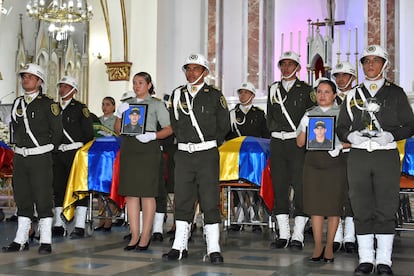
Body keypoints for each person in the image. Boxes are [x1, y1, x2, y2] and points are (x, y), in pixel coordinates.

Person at [337, 45, 414, 275]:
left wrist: (391, 135)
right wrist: (350, 136)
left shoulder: (396, 93)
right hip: (359, 156)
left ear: (385, 64)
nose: (370, 65)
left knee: (386, 205)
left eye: (375, 60)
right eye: (366, 61)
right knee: (360, 205)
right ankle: (366, 258)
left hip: (385, 154)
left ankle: (383, 260)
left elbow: (410, 124)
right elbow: (341, 126)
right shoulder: (352, 94)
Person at [162, 53, 230, 264]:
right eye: (188, 69)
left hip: (207, 153)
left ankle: (213, 248)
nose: (191, 73)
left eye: (196, 69)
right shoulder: (177, 95)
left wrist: (209, 143)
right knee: (182, 198)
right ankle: (179, 246)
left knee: (209, 199)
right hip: (183, 153)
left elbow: (224, 125)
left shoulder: (214, 95)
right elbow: (175, 121)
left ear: (205, 72)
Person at [2, 63, 63, 254]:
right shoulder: (17, 103)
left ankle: (46, 240)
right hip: (21, 157)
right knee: (23, 197)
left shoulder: (48, 104)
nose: (25, 79)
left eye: (29, 76)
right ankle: (21, 239)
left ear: (39, 81)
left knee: (43, 197)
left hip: (40, 157)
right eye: (23, 76)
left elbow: (57, 132)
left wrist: (46, 151)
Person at [114, 72, 172, 251]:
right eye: (134, 83)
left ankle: (146, 235)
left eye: (140, 82)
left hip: (148, 150)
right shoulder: (127, 104)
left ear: (148, 85)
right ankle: (134, 235)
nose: (136, 86)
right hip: (130, 149)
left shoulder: (156, 104)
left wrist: (153, 135)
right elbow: (118, 130)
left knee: (147, 194)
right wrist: (118, 114)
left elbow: (169, 129)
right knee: (131, 194)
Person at [266, 51, 316, 250]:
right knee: (279, 186)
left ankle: (298, 235)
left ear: (298, 68)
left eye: (290, 64)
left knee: (300, 186)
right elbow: (269, 116)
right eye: (283, 64)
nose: (286, 68)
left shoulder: (306, 90)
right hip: (278, 142)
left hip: (297, 144)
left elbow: (313, 116)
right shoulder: (273, 89)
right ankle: (284, 233)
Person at [297, 79, 347, 263]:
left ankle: (329, 247)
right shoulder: (309, 114)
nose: (322, 95)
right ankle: (318, 245)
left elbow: (353, 138)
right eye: (319, 91)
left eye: (327, 92)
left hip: (335, 163)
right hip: (313, 163)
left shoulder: (343, 114)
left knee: (333, 206)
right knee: (315, 206)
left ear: (335, 95)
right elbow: (300, 143)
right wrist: (303, 126)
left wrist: (339, 145)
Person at [52, 76, 94, 239]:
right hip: (58, 153)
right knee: (58, 187)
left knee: (79, 188)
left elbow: (88, 134)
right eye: (61, 86)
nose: (62, 89)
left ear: (74, 90)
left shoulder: (80, 108)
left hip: (75, 154)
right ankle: (58, 223)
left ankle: (79, 225)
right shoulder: (53, 108)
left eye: (66, 86)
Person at [226, 82, 269, 233]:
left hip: (255, 156)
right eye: (240, 92)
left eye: (245, 92)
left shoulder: (258, 114)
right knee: (237, 185)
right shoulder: (232, 114)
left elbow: (265, 135)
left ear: (252, 95)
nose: (242, 95)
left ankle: (255, 216)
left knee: (254, 184)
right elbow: (227, 134)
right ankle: (237, 219)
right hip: (238, 155)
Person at [331, 61, 357, 254]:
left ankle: (350, 235)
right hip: (332, 153)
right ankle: (336, 236)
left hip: (352, 151)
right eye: (337, 76)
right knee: (335, 194)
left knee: (352, 194)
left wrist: (347, 143)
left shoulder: (359, 98)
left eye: (344, 75)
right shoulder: (329, 98)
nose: (340, 79)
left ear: (352, 78)